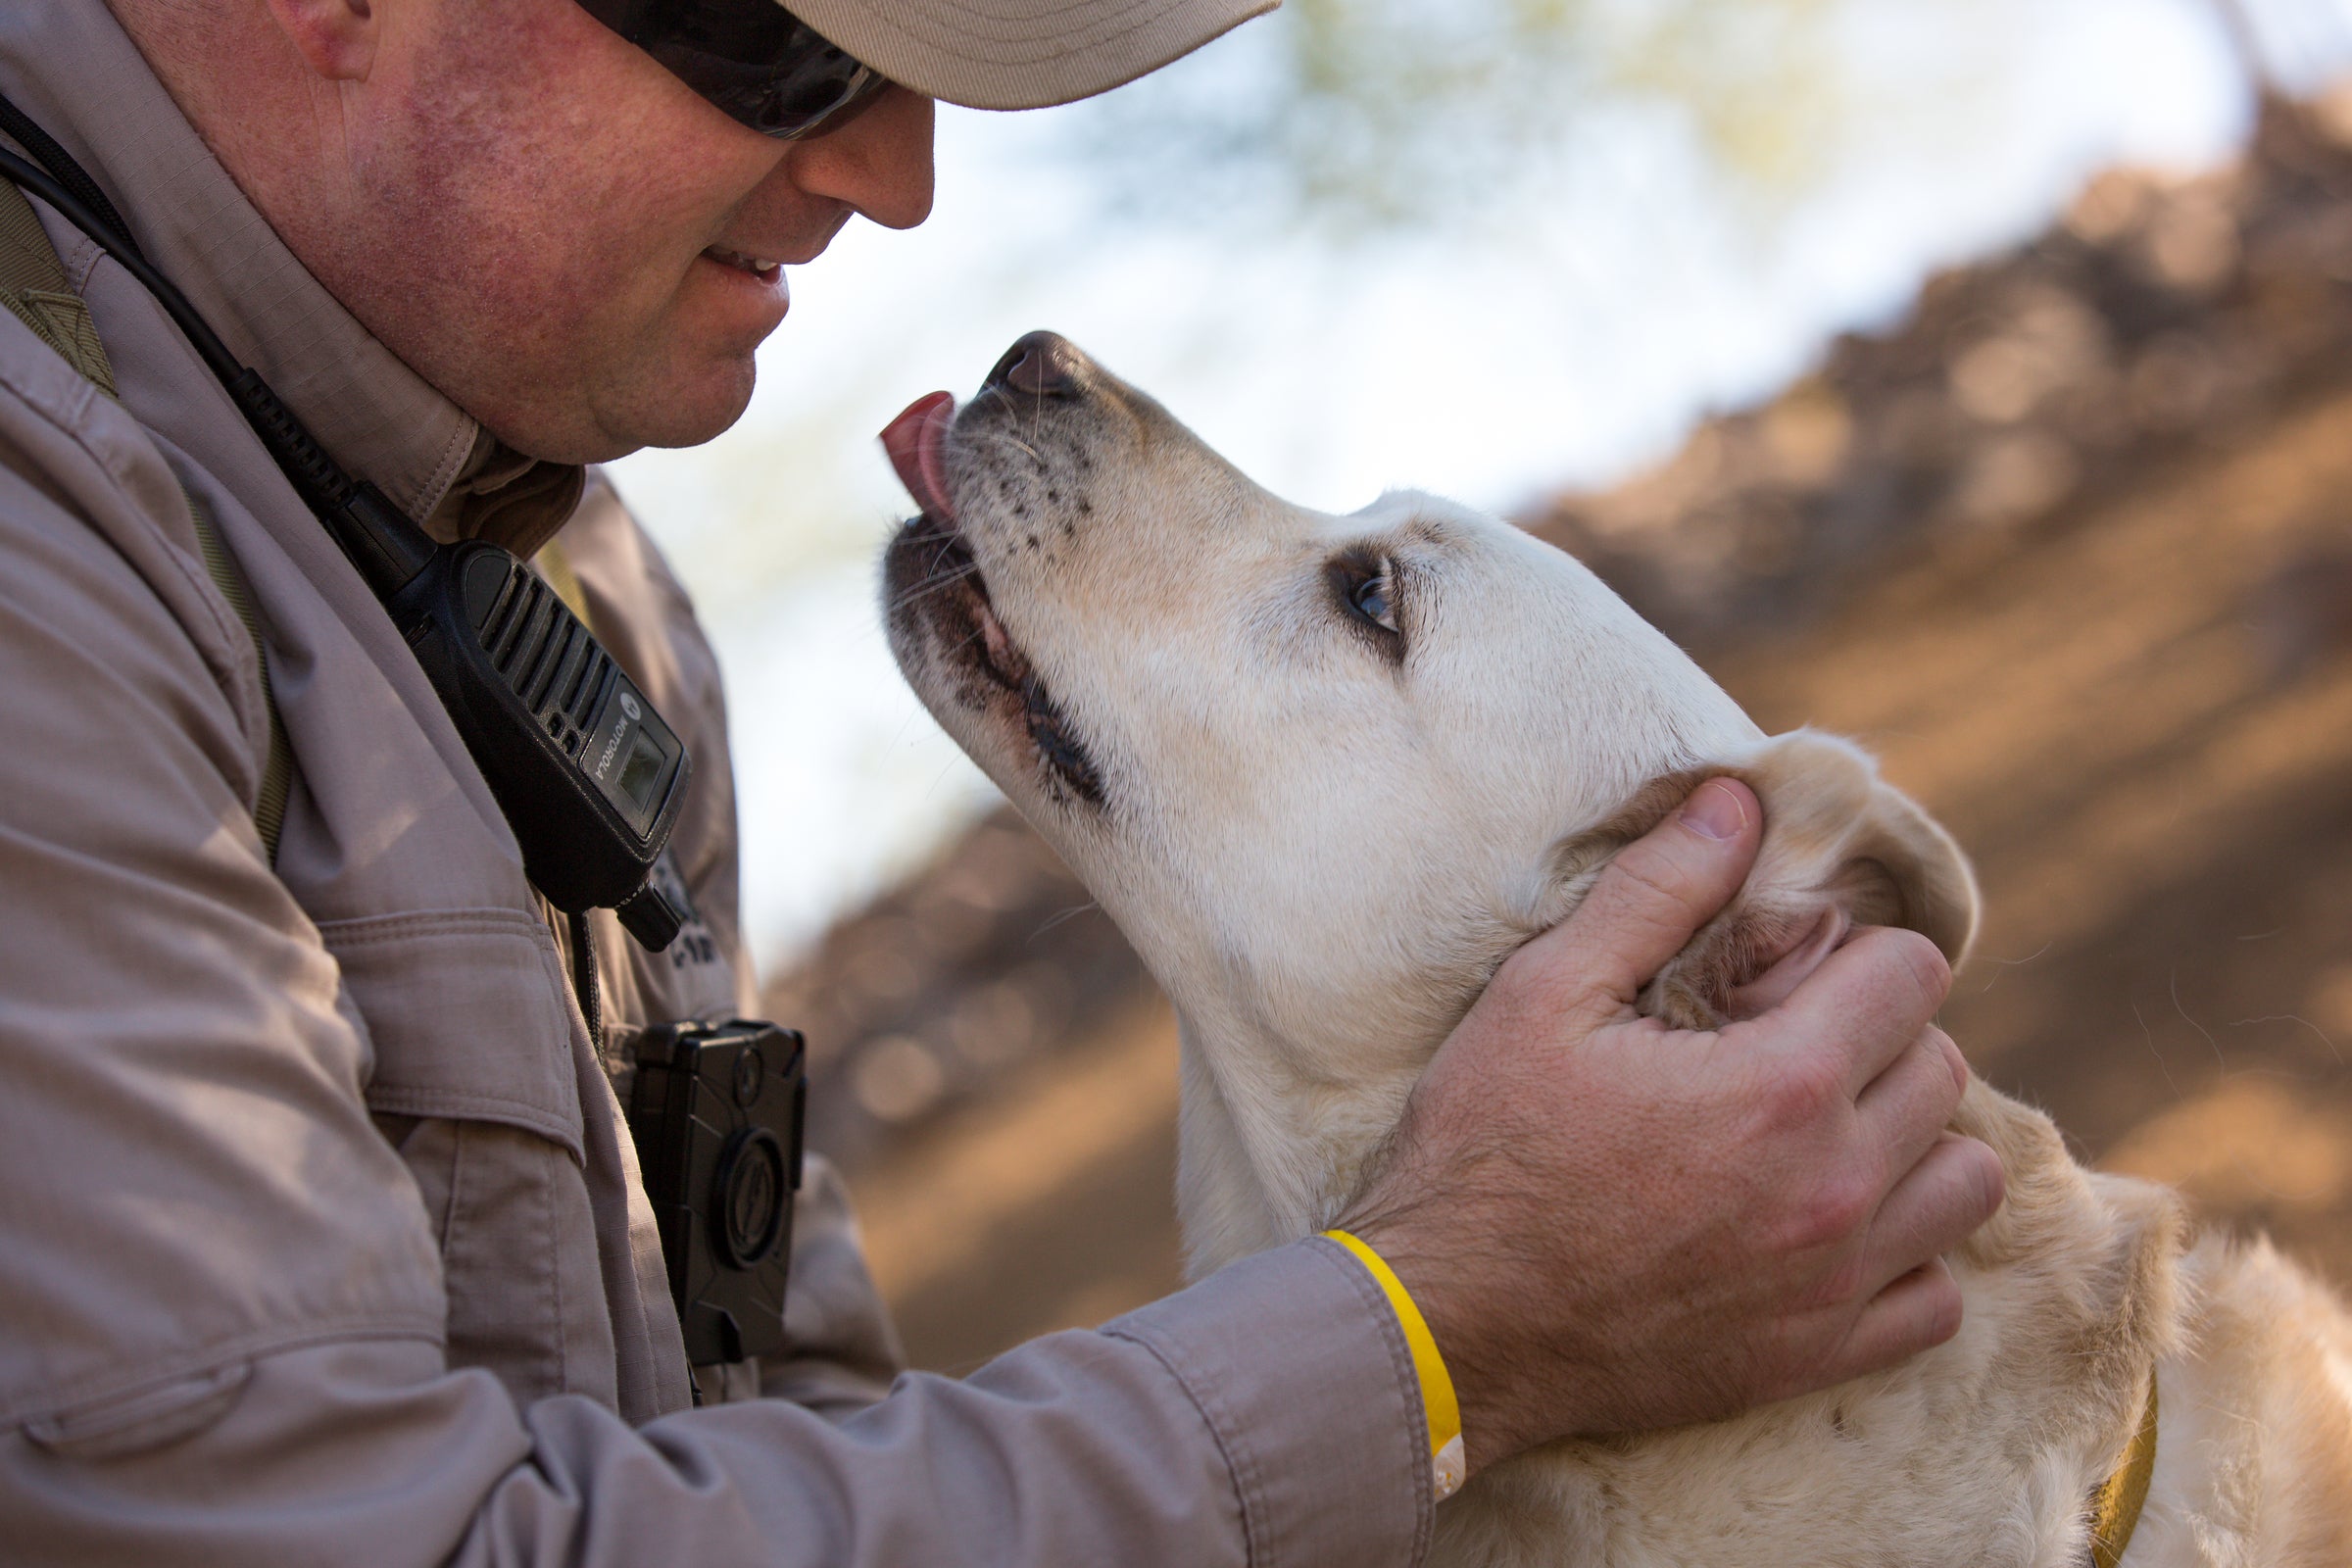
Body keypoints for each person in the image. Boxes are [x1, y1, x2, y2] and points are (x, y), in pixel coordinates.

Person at [0, 1, 2005, 1561]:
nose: (898, 171)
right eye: (795, 42)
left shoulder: (568, 589)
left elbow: (765, 1430)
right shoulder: (41, 557)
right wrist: (1441, 1331)